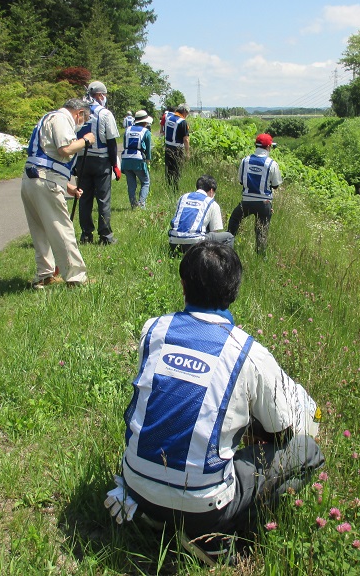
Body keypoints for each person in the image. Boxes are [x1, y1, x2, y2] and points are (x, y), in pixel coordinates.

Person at [107, 242, 324, 565]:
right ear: (234, 291)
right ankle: (221, 537)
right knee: (309, 453)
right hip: (204, 508)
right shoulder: (248, 352)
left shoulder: (153, 329)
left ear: (183, 284)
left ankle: (155, 518)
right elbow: (282, 426)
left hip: (134, 485)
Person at [21, 98, 96, 289]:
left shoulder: (48, 118)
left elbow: (47, 156)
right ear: (79, 113)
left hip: (32, 180)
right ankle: (75, 277)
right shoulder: (62, 119)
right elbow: (65, 150)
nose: (82, 124)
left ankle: (44, 274)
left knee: (40, 231)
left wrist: (68, 186)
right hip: (45, 181)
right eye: (84, 119)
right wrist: (85, 140)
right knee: (62, 228)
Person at [77, 81, 121, 245]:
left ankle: (86, 234)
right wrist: (114, 164)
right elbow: (111, 141)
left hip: (81, 159)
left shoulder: (80, 112)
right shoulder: (104, 113)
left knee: (84, 198)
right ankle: (105, 235)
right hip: (101, 160)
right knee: (103, 199)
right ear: (100, 95)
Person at [227, 133, 283, 255]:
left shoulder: (245, 160)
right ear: (268, 147)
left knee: (234, 219)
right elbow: (276, 185)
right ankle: (261, 256)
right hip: (264, 203)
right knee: (262, 230)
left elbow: (241, 181)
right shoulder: (272, 164)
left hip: (246, 201)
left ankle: (227, 246)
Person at [168, 175, 234, 253]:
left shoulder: (183, 197)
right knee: (229, 237)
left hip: (174, 242)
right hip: (195, 245)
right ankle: (224, 261)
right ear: (212, 191)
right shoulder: (212, 203)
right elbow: (214, 231)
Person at [121, 110, 154, 209]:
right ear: (144, 122)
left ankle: (133, 204)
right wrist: (148, 161)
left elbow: (124, 144)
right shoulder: (146, 132)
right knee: (145, 182)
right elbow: (148, 149)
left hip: (126, 159)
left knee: (131, 184)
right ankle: (142, 204)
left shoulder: (127, 130)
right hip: (138, 159)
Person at [163, 103, 190, 189]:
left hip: (167, 147)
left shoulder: (168, 118)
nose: (187, 115)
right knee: (177, 170)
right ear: (184, 111)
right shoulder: (182, 122)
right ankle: (175, 188)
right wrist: (187, 152)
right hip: (177, 149)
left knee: (169, 170)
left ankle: (168, 187)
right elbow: (186, 139)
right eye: (187, 113)